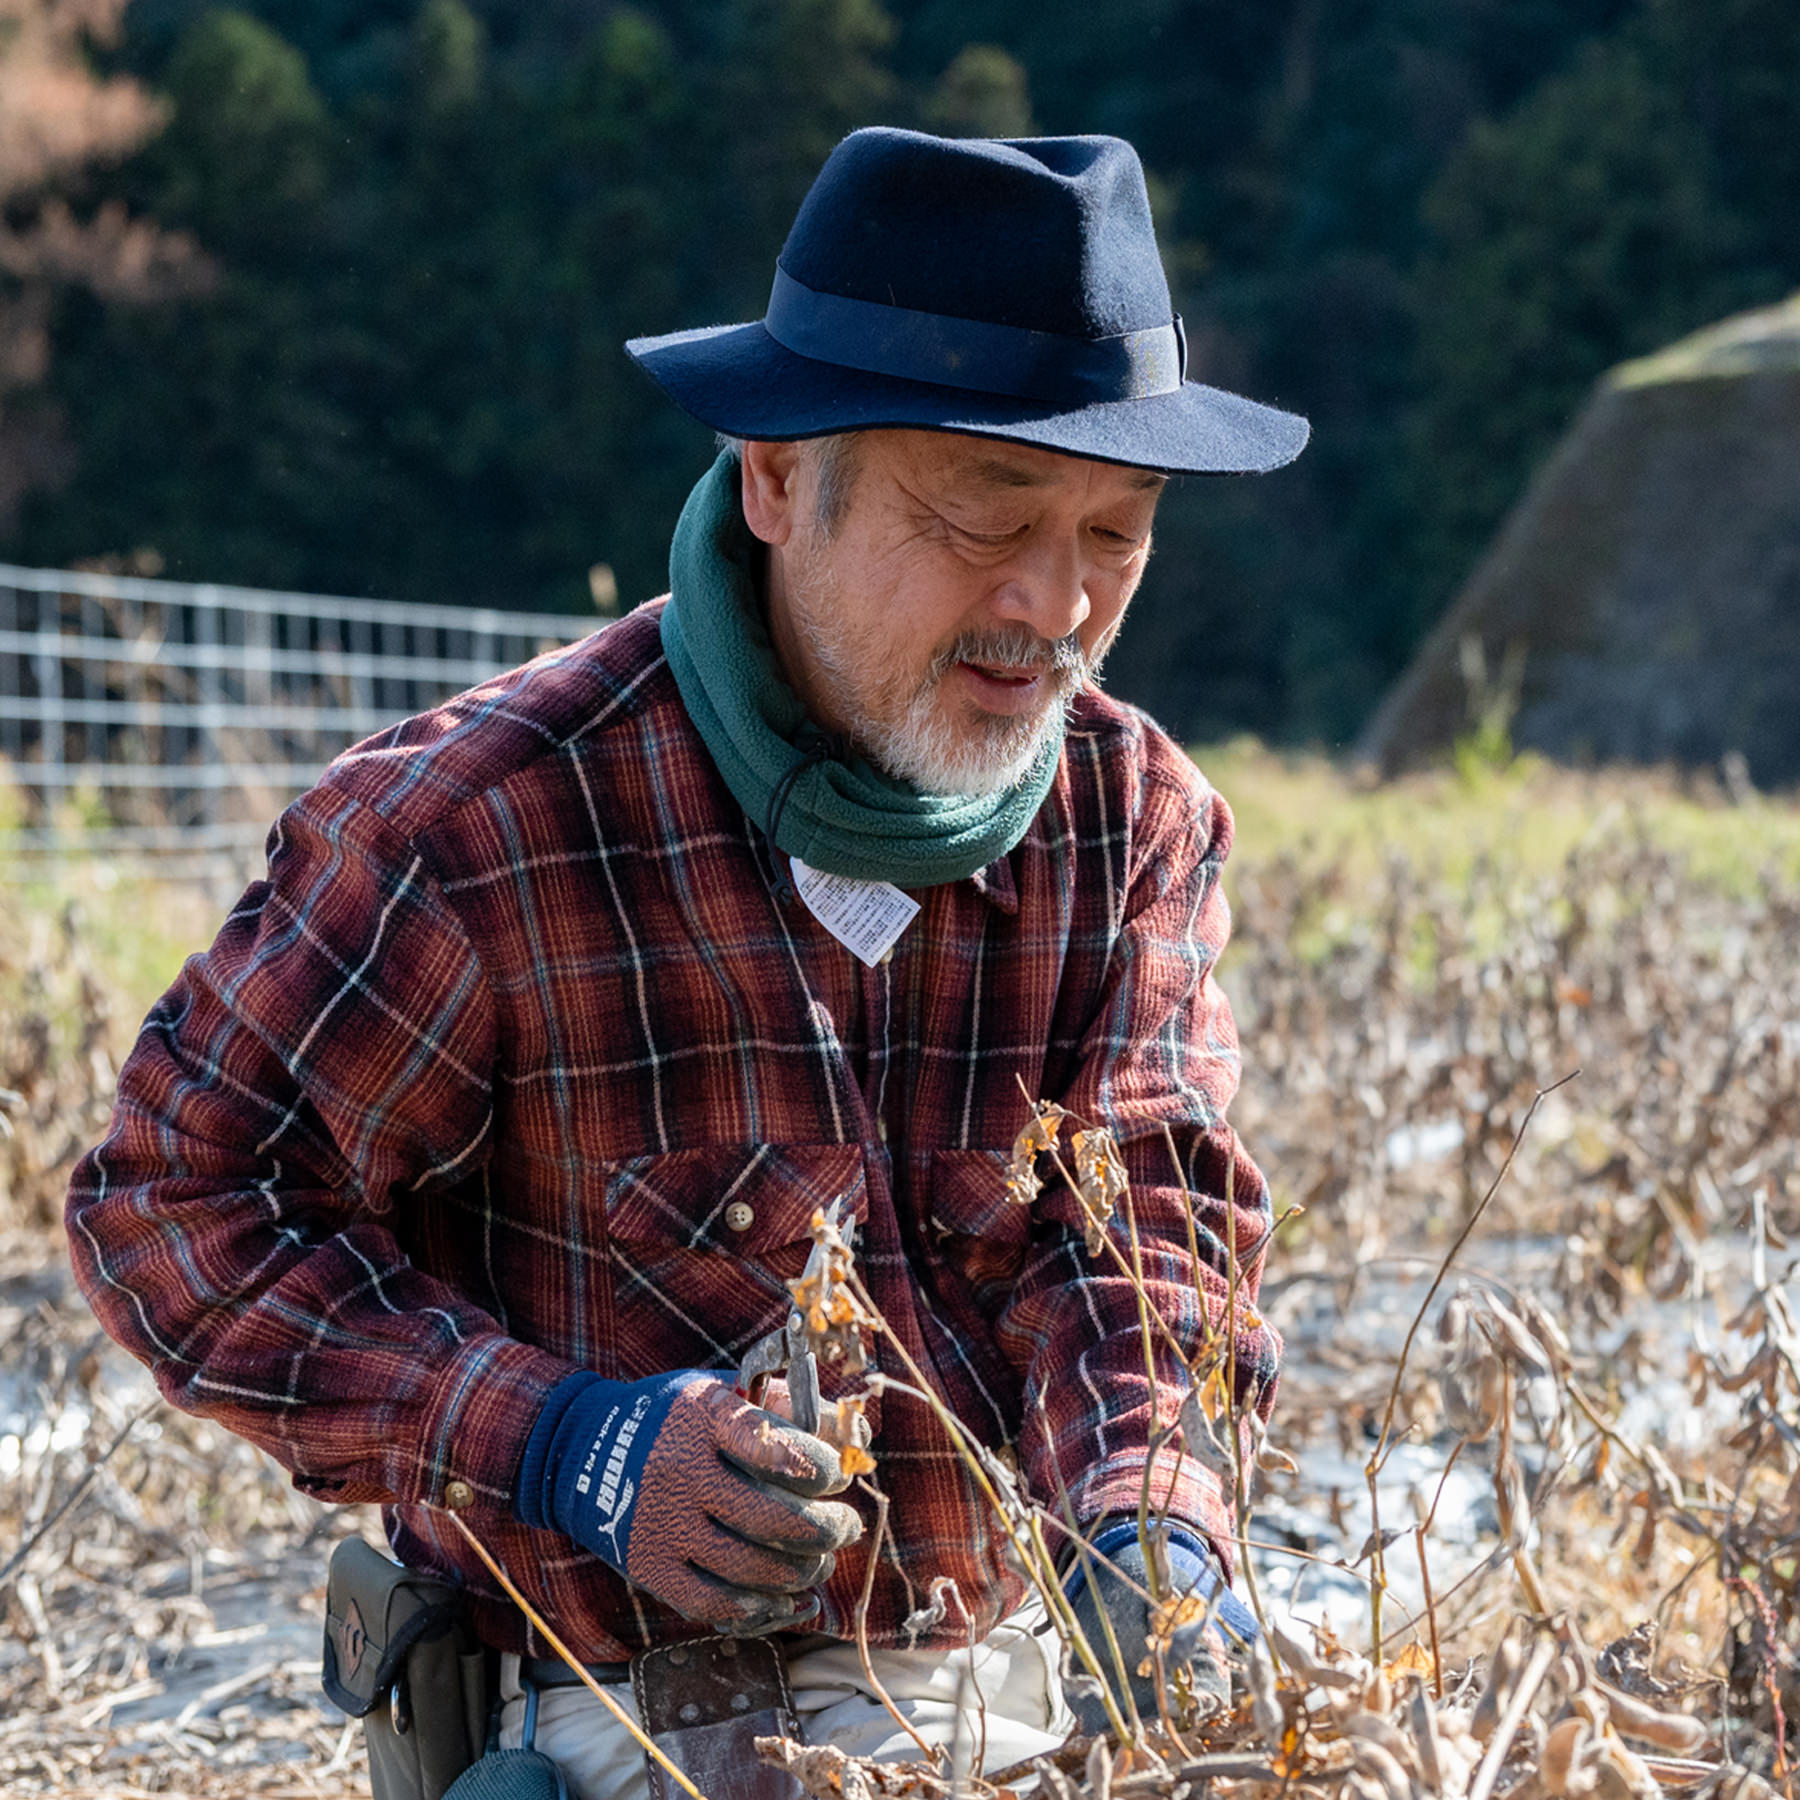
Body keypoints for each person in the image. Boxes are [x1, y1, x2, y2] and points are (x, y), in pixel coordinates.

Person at [66, 127, 1304, 1797]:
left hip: (995, 1684)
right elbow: (176, 1204)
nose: (1057, 603)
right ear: (778, 481)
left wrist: (1152, 1526)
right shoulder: (482, 829)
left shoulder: (1127, 815)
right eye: (985, 516)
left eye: (1117, 531)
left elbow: (1143, 1221)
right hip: (610, 1711)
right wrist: (557, 1440)